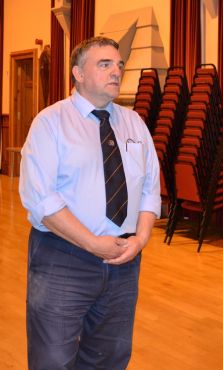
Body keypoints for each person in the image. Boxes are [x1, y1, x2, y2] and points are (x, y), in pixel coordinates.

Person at [19, 36, 161, 369]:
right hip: (63, 257)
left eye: (119, 65)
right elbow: (42, 199)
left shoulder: (134, 124)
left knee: (109, 357)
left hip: (124, 260)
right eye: (105, 64)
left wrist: (140, 239)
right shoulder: (50, 123)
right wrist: (93, 244)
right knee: (53, 358)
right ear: (78, 74)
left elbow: (150, 189)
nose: (116, 71)